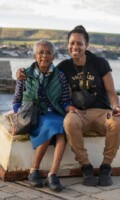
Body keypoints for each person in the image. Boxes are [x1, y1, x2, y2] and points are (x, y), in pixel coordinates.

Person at [57, 25, 120, 187]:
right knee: (69, 122)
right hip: (78, 113)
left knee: (116, 122)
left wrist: (116, 107)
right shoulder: (63, 67)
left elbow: (111, 92)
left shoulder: (100, 63)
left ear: (86, 46)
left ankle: (105, 167)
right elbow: (52, 88)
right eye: (72, 43)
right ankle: (86, 167)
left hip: (102, 112)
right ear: (67, 45)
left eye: (79, 44)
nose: (75, 47)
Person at [13, 39, 71, 192]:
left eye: (48, 53)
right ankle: (34, 170)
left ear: (53, 57)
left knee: (61, 132)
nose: (44, 56)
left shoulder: (61, 76)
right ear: (34, 56)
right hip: (34, 115)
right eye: (40, 52)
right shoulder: (24, 74)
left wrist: (71, 109)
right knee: (52, 127)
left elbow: (65, 100)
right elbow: (17, 99)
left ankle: (52, 174)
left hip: (55, 113)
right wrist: (16, 120)